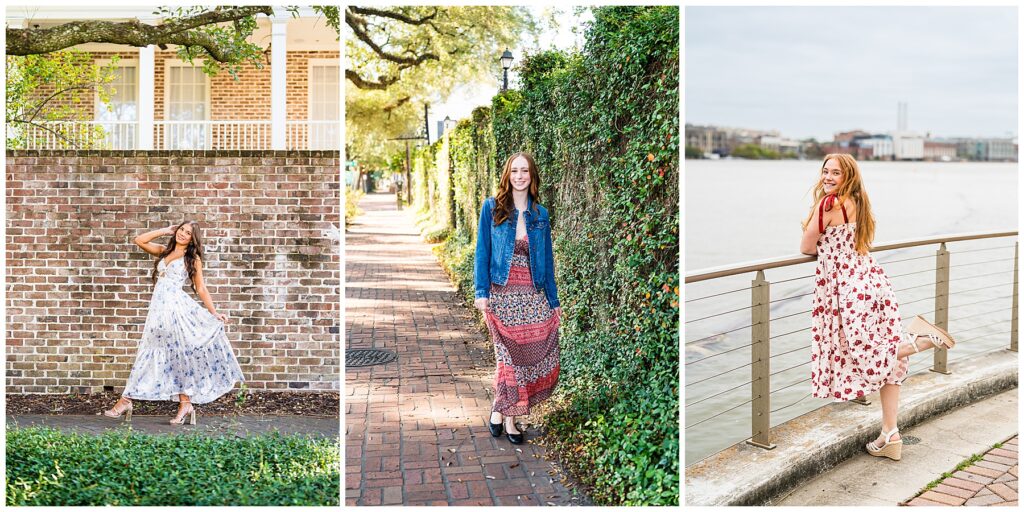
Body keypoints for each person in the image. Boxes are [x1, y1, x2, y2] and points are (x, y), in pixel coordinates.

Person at [800, 154, 956, 461]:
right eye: (825, 171)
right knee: (887, 362)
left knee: (863, 352)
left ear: (848, 177)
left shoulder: (828, 205)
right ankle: (890, 434)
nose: (828, 177)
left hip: (847, 289)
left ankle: (920, 341)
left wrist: (814, 213)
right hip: (872, 281)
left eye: (836, 173)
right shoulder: (859, 201)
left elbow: (806, 247)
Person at [102, 221, 244, 425]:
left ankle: (128, 400)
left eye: (188, 233)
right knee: (161, 354)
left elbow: (201, 288)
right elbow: (139, 240)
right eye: (181, 230)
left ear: (193, 238)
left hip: (176, 310)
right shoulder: (163, 251)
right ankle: (182, 403)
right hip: (159, 311)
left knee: (168, 354)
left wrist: (214, 312)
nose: (183, 235)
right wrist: (165, 230)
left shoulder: (191, 258)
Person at [473, 152, 561, 445]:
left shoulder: (541, 215)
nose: (520, 176)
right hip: (501, 293)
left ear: (532, 176)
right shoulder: (492, 208)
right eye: (515, 171)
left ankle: (501, 414)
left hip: (532, 296)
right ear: (507, 175)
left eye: (525, 171)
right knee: (506, 358)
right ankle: (510, 421)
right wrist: (481, 293)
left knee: (522, 360)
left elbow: (547, 259)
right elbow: (482, 252)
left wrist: (554, 300)